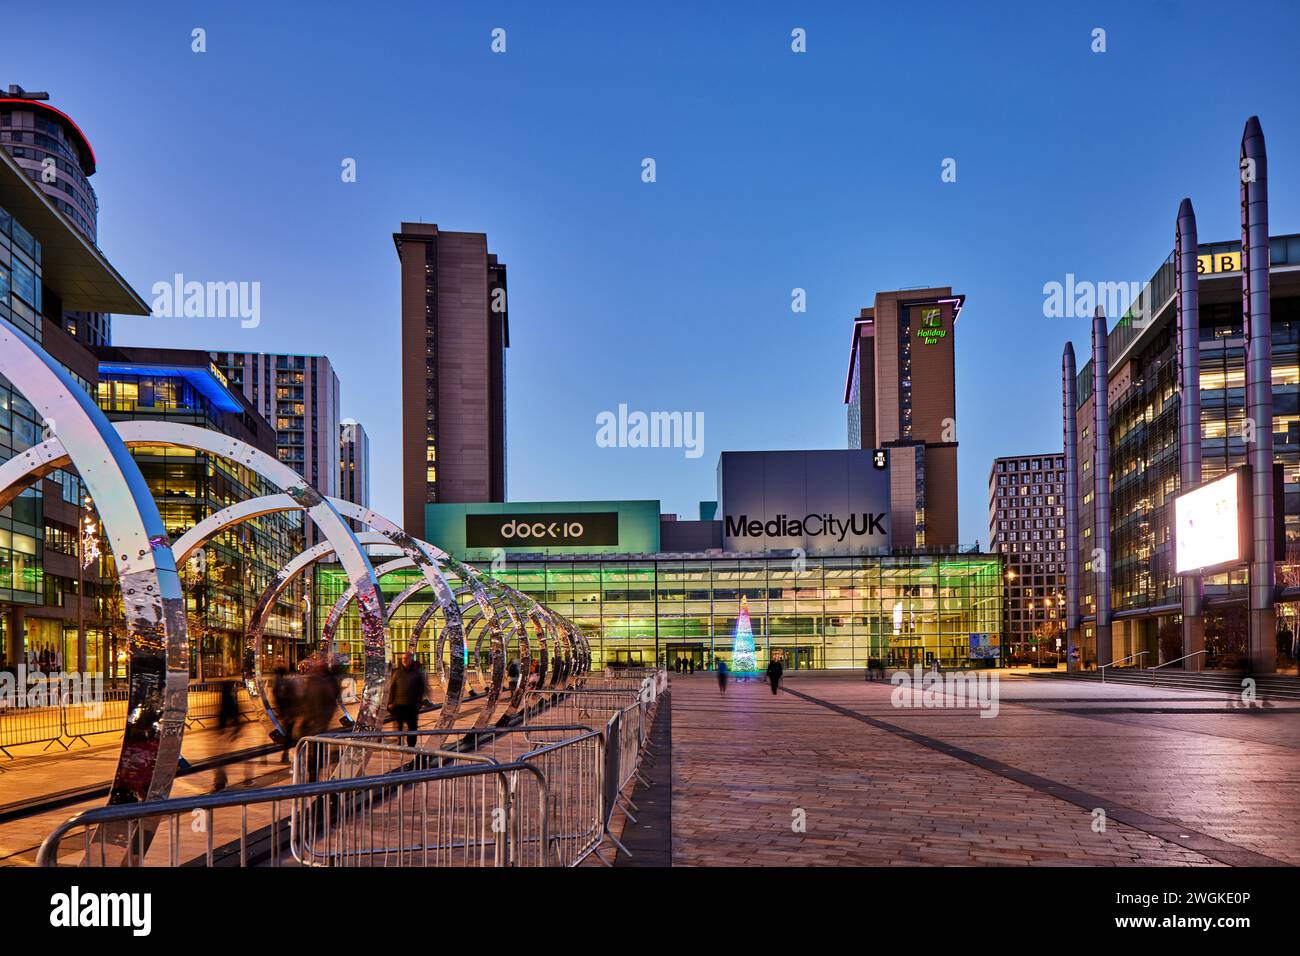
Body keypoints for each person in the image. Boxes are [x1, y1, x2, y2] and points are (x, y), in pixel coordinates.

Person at [386, 652, 427, 749]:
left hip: (411, 705)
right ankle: (399, 743)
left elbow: (421, 689)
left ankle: (411, 745)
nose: (404, 660)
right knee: (398, 726)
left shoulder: (417, 674)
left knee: (412, 727)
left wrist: (419, 702)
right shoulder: (397, 672)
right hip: (398, 704)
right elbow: (392, 688)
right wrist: (390, 702)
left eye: (407, 658)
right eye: (403, 658)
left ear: (411, 660)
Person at [212, 680, 243, 791]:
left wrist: (233, 730)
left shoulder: (227, 699)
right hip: (225, 732)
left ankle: (220, 781)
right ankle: (220, 780)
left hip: (225, 732)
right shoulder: (229, 699)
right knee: (221, 758)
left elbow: (230, 715)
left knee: (221, 757)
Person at [272, 659, 297, 764]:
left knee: (290, 733)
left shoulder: (282, 678)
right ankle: (286, 754)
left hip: (287, 710)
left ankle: (287, 754)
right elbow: (279, 696)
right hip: (286, 711)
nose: (283, 664)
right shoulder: (280, 680)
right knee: (289, 733)